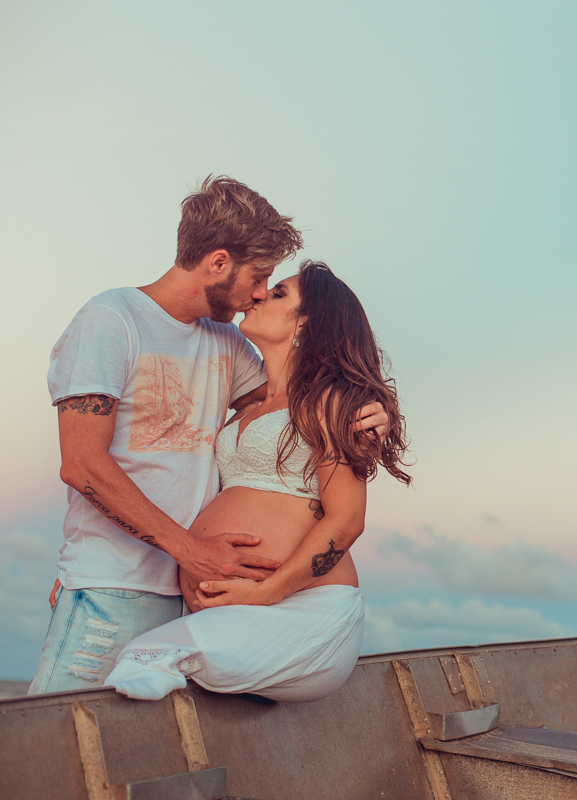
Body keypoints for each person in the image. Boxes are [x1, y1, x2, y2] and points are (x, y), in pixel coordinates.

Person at [30, 178, 388, 694]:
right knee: (56, 742)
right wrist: (189, 553)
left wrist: (373, 413)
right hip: (117, 582)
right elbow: (82, 465)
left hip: (203, 596)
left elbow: (305, 403)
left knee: (139, 754)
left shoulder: (228, 342)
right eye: (261, 276)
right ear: (218, 263)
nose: (261, 292)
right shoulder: (111, 321)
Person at [105, 261, 410, 702]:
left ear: (306, 323)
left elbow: (346, 521)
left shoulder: (331, 402)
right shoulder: (248, 408)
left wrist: (265, 591)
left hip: (305, 611)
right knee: (153, 660)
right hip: (247, 609)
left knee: (146, 655)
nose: (263, 294)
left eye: (280, 292)